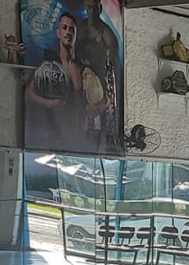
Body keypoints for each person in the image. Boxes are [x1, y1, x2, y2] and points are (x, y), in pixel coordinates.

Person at [25, 11, 106, 152]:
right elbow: (28, 94)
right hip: (56, 141)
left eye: (71, 29)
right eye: (64, 28)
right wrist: (48, 103)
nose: (68, 32)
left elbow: (107, 100)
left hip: (84, 140)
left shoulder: (85, 67)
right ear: (58, 33)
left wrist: (97, 108)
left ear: (76, 35)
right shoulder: (48, 65)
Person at [76, 0, 122, 152]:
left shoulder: (106, 33)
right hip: (82, 78)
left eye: (93, 7)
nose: (90, 10)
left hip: (102, 81)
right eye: (87, 7)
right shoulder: (80, 27)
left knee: (103, 123)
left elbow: (113, 63)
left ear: (99, 8)